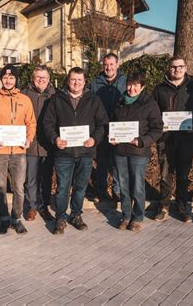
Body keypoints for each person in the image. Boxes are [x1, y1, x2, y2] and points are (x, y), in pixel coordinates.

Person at [44, 67, 108, 234]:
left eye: (80, 80)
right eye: (73, 79)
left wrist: (94, 139)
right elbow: (48, 123)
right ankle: (60, 217)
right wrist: (55, 139)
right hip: (63, 154)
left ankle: (76, 215)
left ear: (84, 82)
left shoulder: (93, 100)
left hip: (85, 153)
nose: (76, 83)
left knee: (80, 188)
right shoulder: (57, 99)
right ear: (68, 80)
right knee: (62, 188)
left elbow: (102, 124)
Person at [0, 64, 36, 235]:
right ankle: (4, 219)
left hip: (18, 150)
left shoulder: (24, 100)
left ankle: (16, 218)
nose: (8, 80)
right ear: (1, 79)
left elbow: (31, 122)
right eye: (5, 77)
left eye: (11, 77)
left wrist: (29, 138)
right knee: (1, 187)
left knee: (18, 187)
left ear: (16, 79)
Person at [153, 55, 193, 222]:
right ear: (168, 68)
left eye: (180, 66)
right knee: (165, 175)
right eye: (173, 67)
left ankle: (181, 206)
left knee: (183, 175)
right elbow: (152, 112)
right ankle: (163, 206)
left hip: (187, 139)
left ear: (185, 68)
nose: (176, 69)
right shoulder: (159, 90)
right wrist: (158, 125)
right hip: (165, 139)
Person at [111, 72, 163, 231]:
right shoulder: (119, 101)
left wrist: (142, 141)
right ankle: (126, 215)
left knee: (138, 185)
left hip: (138, 152)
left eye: (135, 85)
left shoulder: (149, 103)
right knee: (123, 185)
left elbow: (158, 129)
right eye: (129, 84)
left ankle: (138, 217)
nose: (131, 88)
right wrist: (112, 136)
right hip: (120, 150)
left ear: (142, 87)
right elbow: (113, 123)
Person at [90, 53, 126, 203]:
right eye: (106, 64)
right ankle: (101, 191)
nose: (109, 67)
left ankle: (117, 191)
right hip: (101, 127)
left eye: (112, 64)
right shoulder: (94, 83)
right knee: (102, 161)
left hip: (119, 127)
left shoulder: (125, 81)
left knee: (118, 161)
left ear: (118, 65)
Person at [21, 65, 56, 221]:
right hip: (30, 143)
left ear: (49, 80)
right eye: (38, 77)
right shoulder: (24, 95)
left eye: (44, 78)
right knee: (31, 177)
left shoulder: (55, 95)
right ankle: (32, 206)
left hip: (48, 144)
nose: (41, 80)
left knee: (47, 177)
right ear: (32, 78)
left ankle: (45, 206)